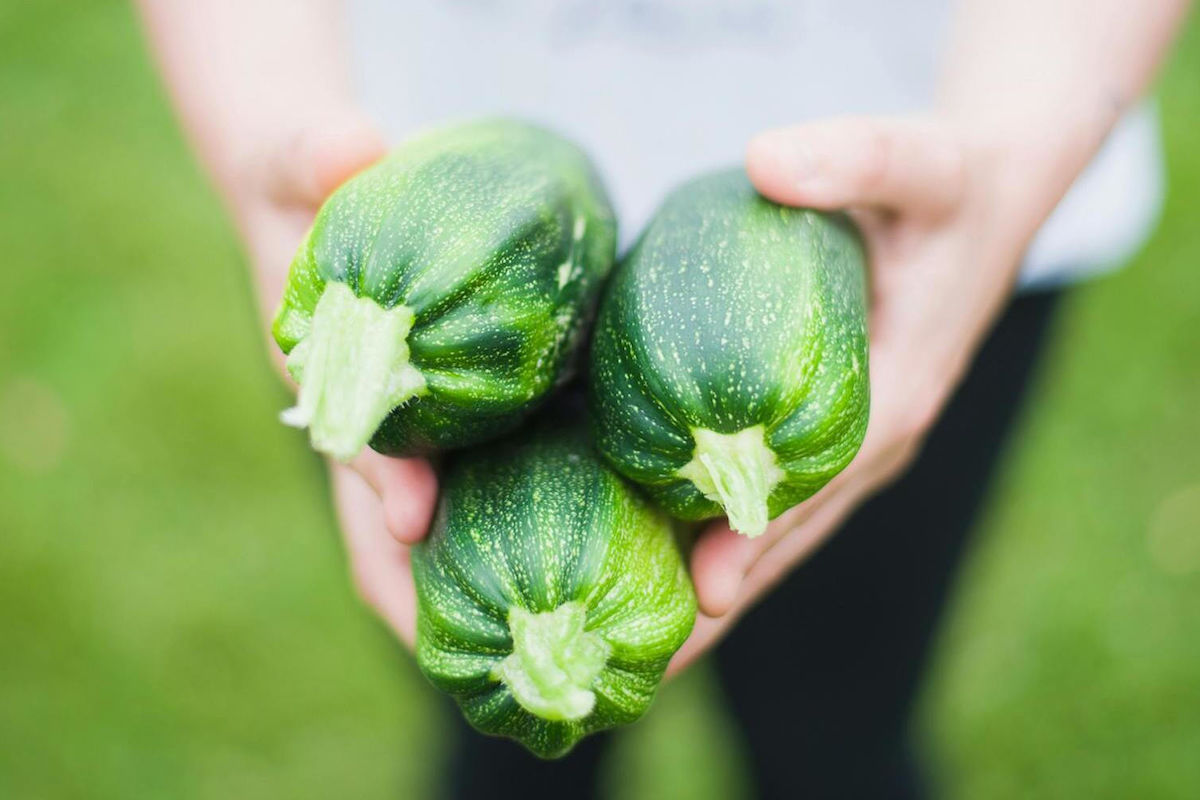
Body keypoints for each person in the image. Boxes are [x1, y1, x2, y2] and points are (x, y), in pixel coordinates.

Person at [136, 1, 1190, 796]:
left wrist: (1017, 151)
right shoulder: (377, 283)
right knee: (505, 739)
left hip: (929, 211)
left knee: (837, 726)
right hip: (418, 196)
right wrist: (263, 124)